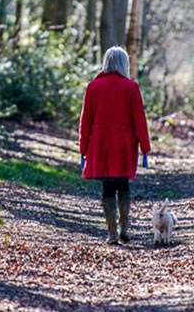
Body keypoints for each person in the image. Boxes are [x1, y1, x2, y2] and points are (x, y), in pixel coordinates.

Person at [79, 46, 151, 244]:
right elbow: (139, 120)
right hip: (124, 144)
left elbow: (86, 120)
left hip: (100, 143)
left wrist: (83, 148)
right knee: (123, 184)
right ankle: (124, 228)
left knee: (107, 187)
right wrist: (145, 147)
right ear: (124, 63)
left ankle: (111, 233)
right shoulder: (131, 87)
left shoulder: (93, 86)